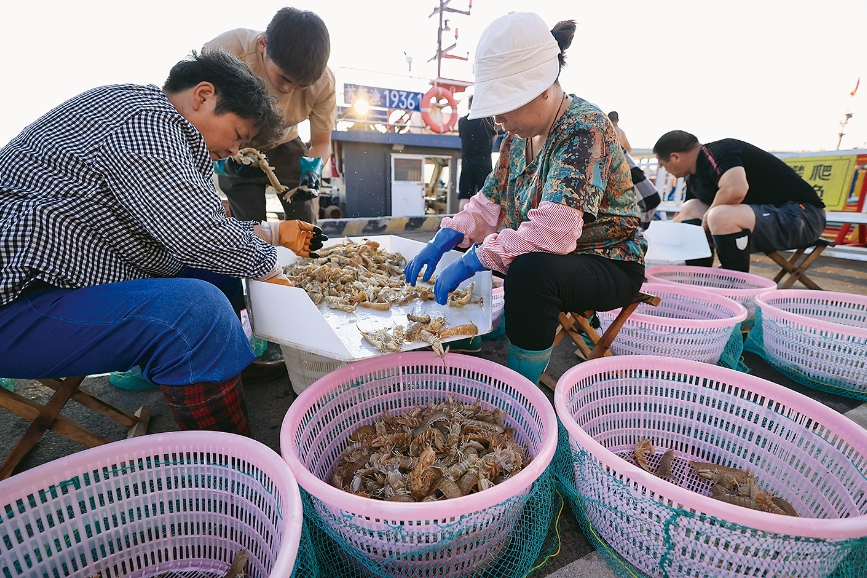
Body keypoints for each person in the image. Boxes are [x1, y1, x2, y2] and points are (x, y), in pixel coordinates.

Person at [0, 50, 327, 436]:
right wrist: (271, 266)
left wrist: (272, 232)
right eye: (239, 135)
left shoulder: (158, 125)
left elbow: (193, 221)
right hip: (18, 296)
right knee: (196, 313)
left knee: (219, 277)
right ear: (203, 96)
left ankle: (227, 370)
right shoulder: (147, 119)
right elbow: (195, 232)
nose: (237, 153)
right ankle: (231, 465)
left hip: (56, 276)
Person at [405, 12, 646, 386]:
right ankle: (484, 330)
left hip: (609, 261)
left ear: (541, 89)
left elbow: (554, 234)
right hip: (560, 259)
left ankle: (522, 388)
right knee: (500, 252)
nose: (498, 119)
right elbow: (487, 205)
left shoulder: (583, 128)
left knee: (527, 272)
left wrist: (476, 257)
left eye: (504, 105)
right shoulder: (514, 141)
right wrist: (449, 236)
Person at [206, 7, 337, 223]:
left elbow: (321, 143)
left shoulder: (324, 84)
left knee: (304, 225)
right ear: (262, 45)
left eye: (302, 85)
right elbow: (196, 115)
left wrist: (313, 171)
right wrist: (221, 162)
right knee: (249, 229)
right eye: (284, 78)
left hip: (285, 141)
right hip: (235, 145)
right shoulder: (226, 52)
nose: (288, 90)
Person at [653, 130, 826, 272]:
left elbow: (736, 189)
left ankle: (735, 285)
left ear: (675, 157)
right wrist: (652, 241)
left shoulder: (718, 150)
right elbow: (684, 218)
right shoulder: (694, 177)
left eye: (663, 164)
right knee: (691, 207)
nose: (666, 171)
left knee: (719, 215)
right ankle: (698, 275)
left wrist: (708, 218)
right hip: (767, 218)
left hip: (803, 217)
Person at [458, 95, 497, 211]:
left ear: (469, 105)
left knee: (465, 196)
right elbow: (494, 137)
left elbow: (462, 137)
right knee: (485, 197)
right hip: (483, 164)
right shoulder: (488, 120)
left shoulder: (462, 121)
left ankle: (461, 226)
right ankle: (484, 228)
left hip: (467, 164)